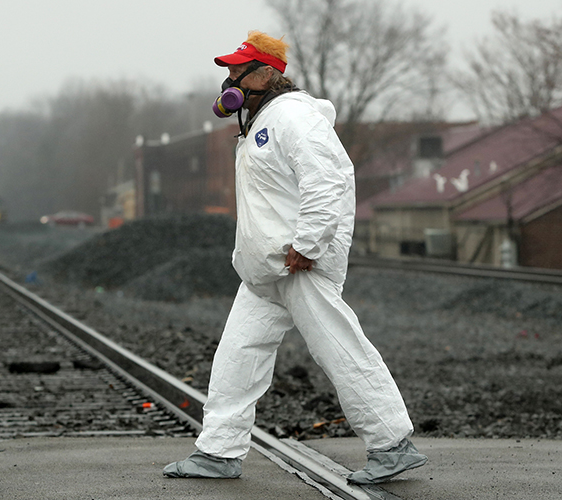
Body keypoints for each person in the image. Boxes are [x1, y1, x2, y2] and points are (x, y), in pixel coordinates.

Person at [163, 31, 427, 485]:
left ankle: (392, 445)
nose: (229, 81)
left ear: (265, 73)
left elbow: (327, 182)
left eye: (236, 72)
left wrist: (308, 245)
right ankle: (218, 452)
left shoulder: (294, 117)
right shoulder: (261, 121)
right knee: (237, 357)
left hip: (297, 262)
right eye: (228, 72)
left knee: (341, 349)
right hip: (266, 268)